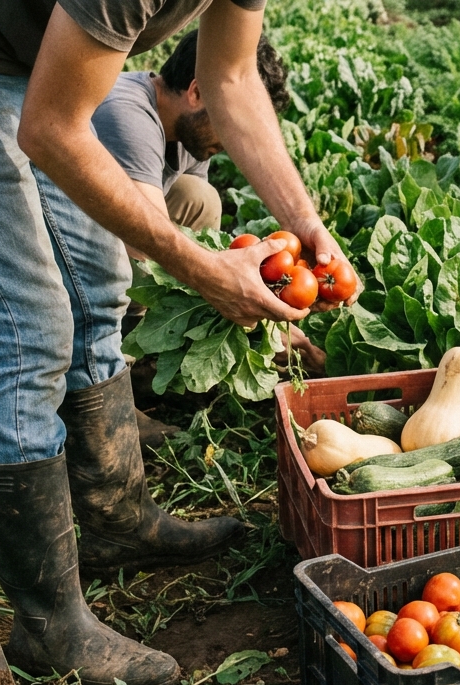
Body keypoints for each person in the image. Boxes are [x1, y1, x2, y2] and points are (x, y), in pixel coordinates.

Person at [0, 0, 356, 685]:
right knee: (25, 326)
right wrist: (202, 270)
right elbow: (52, 131)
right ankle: (48, 624)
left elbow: (230, 75)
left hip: (27, 56)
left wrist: (306, 223)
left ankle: (118, 520)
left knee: (97, 279)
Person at [93, 29, 326, 448]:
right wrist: (254, 321)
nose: (236, 140)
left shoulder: (184, 133)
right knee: (131, 254)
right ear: (199, 92)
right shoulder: (126, 116)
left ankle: (143, 356)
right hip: (54, 247)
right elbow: (147, 242)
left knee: (199, 199)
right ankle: (105, 380)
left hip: (117, 233)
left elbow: (188, 237)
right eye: (235, 120)